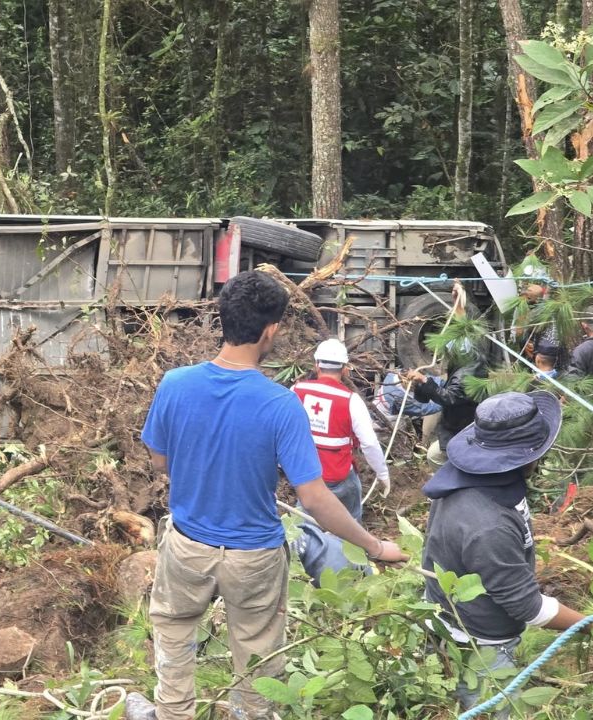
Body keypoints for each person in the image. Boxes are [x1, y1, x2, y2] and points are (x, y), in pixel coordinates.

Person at [124, 270, 408, 720]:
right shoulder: (280, 404)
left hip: (187, 546)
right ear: (271, 330)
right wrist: (373, 546)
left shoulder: (175, 384)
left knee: (174, 634)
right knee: (257, 655)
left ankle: (172, 713)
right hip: (255, 555)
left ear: (224, 318)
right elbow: (313, 499)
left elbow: (160, 462)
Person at [421, 391, 593, 717]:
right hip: (478, 641)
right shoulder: (487, 524)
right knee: (497, 709)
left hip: (459, 612)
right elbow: (527, 606)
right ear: (528, 456)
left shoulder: (480, 480)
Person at [292, 339, 391, 522]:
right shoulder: (351, 400)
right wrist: (382, 473)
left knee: (301, 527)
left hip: (305, 475)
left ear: (316, 366)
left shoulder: (296, 391)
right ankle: (354, 542)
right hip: (338, 476)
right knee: (351, 520)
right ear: (345, 369)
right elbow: (369, 443)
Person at [406, 350, 487, 465]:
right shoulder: (466, 362)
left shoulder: (467, 372)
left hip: (462, 428)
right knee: (437, 456)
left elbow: (450, 397)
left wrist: (424, 381)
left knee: (435, 456)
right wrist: (422, 383)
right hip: (459, 426)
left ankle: (457, 479)